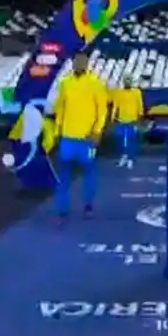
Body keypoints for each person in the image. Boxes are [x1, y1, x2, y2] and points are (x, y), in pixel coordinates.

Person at [52, 52, 108, 222]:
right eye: (77, 61)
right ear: (73, 63)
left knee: (89, 172)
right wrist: (57, 132)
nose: (79, 63)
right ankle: (62, 209)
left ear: (87, 63)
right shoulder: (65, 84)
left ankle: (88, 205)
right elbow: (60, 109)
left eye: (83, 61)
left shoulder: (95, 84)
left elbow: (102, 110)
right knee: (63, 174)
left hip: (87, 139)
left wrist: (97, 131)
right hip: (67, 137)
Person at [111, 75, 144, 169]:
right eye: (126, 80)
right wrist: (113, 117)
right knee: (120, 140)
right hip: (121, 120)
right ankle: (123, 157)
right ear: (123, 82)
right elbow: (115, 106)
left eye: (129, 80)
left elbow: (140, 104)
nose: (127, 82)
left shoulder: (137, 92)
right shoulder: (119, 93)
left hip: (132, 121)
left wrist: (140, 116)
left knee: (131, 140)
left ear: (131, 82)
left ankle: (130, 159)